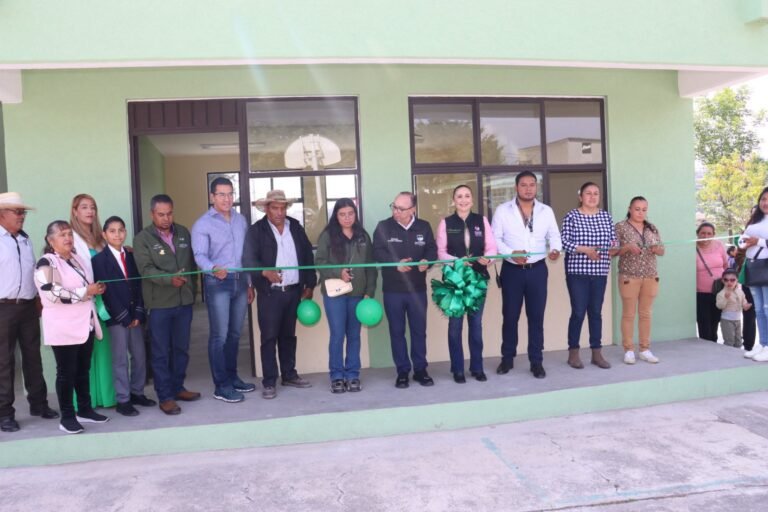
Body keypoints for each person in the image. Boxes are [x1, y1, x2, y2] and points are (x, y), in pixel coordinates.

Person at [35, 220, 109, 434]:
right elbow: (51, 293)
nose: (67, 238)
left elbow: (86, 286)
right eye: (61, 235)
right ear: (51, 241)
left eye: (69, 234)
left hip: (84, 323)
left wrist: (95, 289)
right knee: (66, 373)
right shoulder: (45, 263)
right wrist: (86, 291)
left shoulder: (76, 258)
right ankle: (67, 416)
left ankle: (84, 410)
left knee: (82, 370)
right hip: (63, 328)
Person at [243, 190, 316, 400]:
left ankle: (289, 375)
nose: (279, 212)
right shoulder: (257, 231)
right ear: (266, 209)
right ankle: (269, 382)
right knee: (269, 338)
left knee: (288, 336)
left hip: (293, 291)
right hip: (270, 294)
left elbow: (307, 256)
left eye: (283, 208)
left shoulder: (295, 227)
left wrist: (310, 284)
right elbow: (248, 260)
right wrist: (264, 272)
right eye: (275, 208)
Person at [133, 194, 200, 415]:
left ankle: (178, 387)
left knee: (181, 348)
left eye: (169, 213)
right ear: (152, 214)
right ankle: (165, 396)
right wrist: (169, 279)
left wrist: (192, 289)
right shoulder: (143, 239)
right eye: (161, 214)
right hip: (160, 304)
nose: (166, 218)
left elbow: (191, 264)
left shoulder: (183, 232)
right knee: (161, 351)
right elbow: (146, 270)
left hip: (184, 301)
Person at [491, 171, 561, 379]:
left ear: (536, 187)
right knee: (510, 317)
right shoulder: (503, 210)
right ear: (516, 187)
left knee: (536, 318)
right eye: (524, 185)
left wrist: (555, 249)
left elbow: (554, 235)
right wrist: (511, 254)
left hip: (538, 270)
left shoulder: (545, 211)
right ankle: (507, 358)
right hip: (512, 271)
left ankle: (536, 361)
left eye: (532, 185)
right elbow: (496, 239)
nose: (528, 188)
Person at [192, 177, 256, 404]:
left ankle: (232, 377)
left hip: (240, 281)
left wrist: (249, 283)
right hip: (218, 282)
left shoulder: (241, 220)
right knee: (219, 335)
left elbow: (246, 255)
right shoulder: (203, 224)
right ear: (212, 197)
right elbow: (199, 255)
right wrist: (212, 268)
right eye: (221, 194)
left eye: (230, 194)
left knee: (235, 334)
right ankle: (221, 386)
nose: (227, 199)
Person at [0, 192, 58, 433]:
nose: (22, 216)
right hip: (3, 307)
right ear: (2, 214)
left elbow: (33, 272)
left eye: (22, 211)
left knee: (33, 357)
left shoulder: (25, 239)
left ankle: (39, 403)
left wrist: (37, 298)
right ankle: (5, 413)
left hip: (27, 306)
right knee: (4, 362)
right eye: (17, 211)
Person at [92, 216, 156, 417]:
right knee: (120, 359)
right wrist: (123, 316)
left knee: (139, 355)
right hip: (117, 318)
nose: (117, 234)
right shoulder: (99, 261)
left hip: (135, 315)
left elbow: (138, 284)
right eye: (112, 231)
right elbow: (106, 291)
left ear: (125, 232)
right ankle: (123, 399)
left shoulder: (131, 256)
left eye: (121, 230)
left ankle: (137, 392)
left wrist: (138, 311)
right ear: (104, 234)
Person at [374, 191, 438, 389]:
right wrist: (395, 264)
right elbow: (377, 251)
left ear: (412, 210)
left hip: (417, 290)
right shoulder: (383, 227)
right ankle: (402, 371)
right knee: (397, 332)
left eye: (401, 209)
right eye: (394, 206)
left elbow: (432, 249)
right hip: (393, 290)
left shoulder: (424, 226)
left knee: (419, 331)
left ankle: (420, 369)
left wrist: (427, 261)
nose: (396, 211)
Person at [435, 185, 497, 383]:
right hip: (455, 281)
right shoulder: (446, 223)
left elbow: (492, 248)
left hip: (477, 281)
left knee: (476, 325)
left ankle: (477, 368)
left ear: (472, 199)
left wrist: (488, 259)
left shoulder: (482, 221)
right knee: (455, 326)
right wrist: (457, 261)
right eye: (459, 196)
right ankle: (458, 369)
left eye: (467, 196)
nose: (463, 200)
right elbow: (440, 252)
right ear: (453, 200)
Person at [315, 199, 377, 393]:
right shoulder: (327, 236)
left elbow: (371, 266)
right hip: (335, 294)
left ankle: (352, 375)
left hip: (358, 294)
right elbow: (320, 262)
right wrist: (338, 272)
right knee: (337, 335)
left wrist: (369, 291)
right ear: (336, 215)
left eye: (351, 213)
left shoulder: (363, 236)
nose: (347, 217)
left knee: (354, 336)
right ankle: (336, 376)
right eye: (342, 214)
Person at [561, 182, 617, 370]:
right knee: (578, 312)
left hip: (599, 272)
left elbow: (613, 240)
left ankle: (596, 353)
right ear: (580, 196)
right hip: (577, 272)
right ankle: (573, 352)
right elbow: (564, 242)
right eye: (588, 193)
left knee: (595, 313)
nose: (592, 197)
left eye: (596, 194)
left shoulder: (606, 217)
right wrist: (584, 250)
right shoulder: (572, 216)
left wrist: (613, 249)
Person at [70, 194, 116, 408]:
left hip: (103, 301)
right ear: (75, 211)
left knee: (103, 349)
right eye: (84, 207)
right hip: (83, 301)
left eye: (93, 207)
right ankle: (84, 402)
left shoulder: (100, 237)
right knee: (83, 355)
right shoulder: (69, 237)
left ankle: (106, 397)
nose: (90, 211)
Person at [615, 196, 665, 364]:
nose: (640, 212)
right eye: (637, 209)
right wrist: (627, 247)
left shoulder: (652, 228)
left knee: (646, 314)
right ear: (629, 209)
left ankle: (645, 349)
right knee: (628, 314)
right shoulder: (620, 227)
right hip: (629, 276)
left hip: (650, 276)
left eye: (644, 209)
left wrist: (656, 249)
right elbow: (612, 251)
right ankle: (628, 349)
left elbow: (662, 250)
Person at [739, 187, 768, 362]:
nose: (765, 203)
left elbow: (758, 240)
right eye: (763, 199)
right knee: (758, 309)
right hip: (753, 267)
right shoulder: (754, 221)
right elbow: (741, 240)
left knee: (767, 308)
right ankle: (763, 343)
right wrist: (745, 243)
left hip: (766, 267)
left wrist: (758, 241)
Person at [695, 222, 728, 342]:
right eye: (702, 233)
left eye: (709, 233)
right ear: (697, 234)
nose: (705, 236)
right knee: (704, 325)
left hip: (719, 292)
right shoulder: (692, 248)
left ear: (713, 235)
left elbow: (725, 265)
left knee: (715, 323)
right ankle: (705, 350)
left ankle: (713, 349)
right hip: (700, 294)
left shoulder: (719, 245)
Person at [715, 268, 751, 348]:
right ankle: (728, 357)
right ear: (722, 281)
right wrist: (725, 298)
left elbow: (743, 301)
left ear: (737, 280)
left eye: (732, 280)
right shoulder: (721, 293)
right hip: (727, 320)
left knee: (738, 341)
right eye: (726, 280)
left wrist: (745, 305)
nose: (729, 282)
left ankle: (737, 357)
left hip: (737, 320)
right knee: (729, 341)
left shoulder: (740, 291)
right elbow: (719, 306)